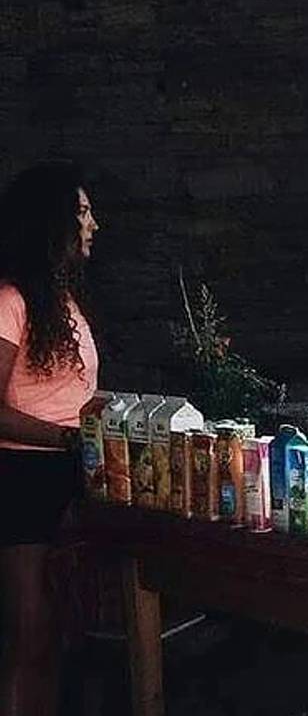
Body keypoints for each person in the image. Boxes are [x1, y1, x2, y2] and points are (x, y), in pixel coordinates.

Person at [0, 161, 101, 716]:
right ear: (52, 223)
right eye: (82, 213)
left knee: (62, 632)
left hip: (70, 472)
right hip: (22, 479)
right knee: (29, 633)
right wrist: (65, 439)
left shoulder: (63, 306)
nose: (93, 224)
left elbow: (71, 396)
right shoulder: (10, 302)